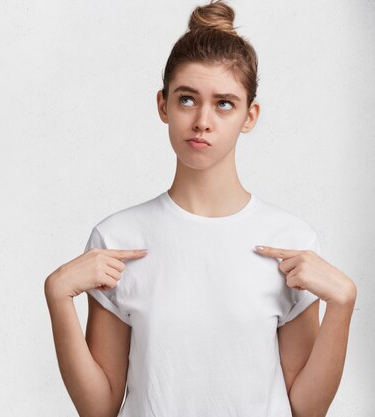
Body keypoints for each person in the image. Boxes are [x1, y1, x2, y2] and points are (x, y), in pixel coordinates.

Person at [44, 0, 357, 416]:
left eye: (224, 103)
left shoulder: (290, 243)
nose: (202, 121)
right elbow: (99, 408)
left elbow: (306, 409)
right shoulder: (119, 240)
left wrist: (343, 304)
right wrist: (57, 296)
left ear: (250, 115)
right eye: (187, 99)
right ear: (163, 105)